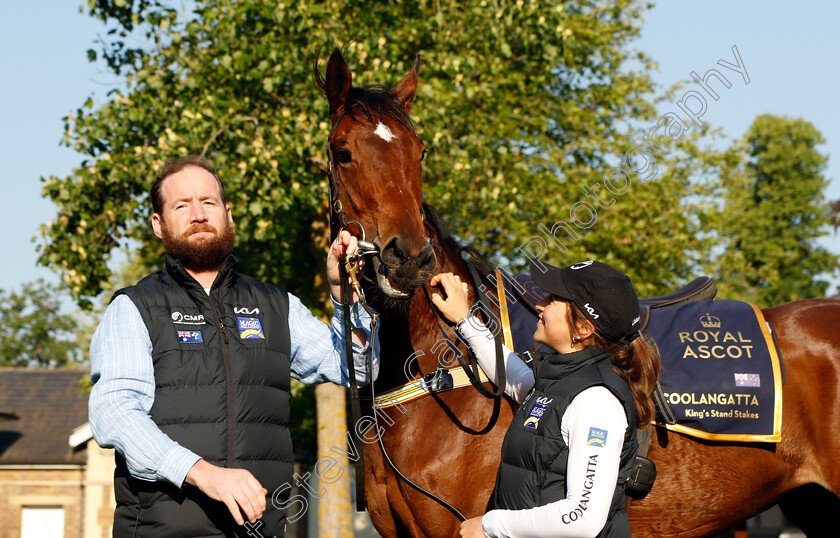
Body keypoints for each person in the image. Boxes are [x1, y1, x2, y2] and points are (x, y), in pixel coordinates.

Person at [88, 155, 378, 537]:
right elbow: (115, 414)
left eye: (208, 202)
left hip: (261, 528)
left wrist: (346, 295)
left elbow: (359, 368)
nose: (198, 214)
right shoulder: (134, 308)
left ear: (228, 213)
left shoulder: (277, 305)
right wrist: (202, 474)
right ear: (158, 225)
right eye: (181, 205)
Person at [430, 260, 661, 538]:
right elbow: (515, 377)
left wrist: (490, 526)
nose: (540, 305)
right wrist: (465, 319)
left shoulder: (597, 401)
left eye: (553, 300)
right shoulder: (562, 381)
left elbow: (582, 519)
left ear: (583, 329)